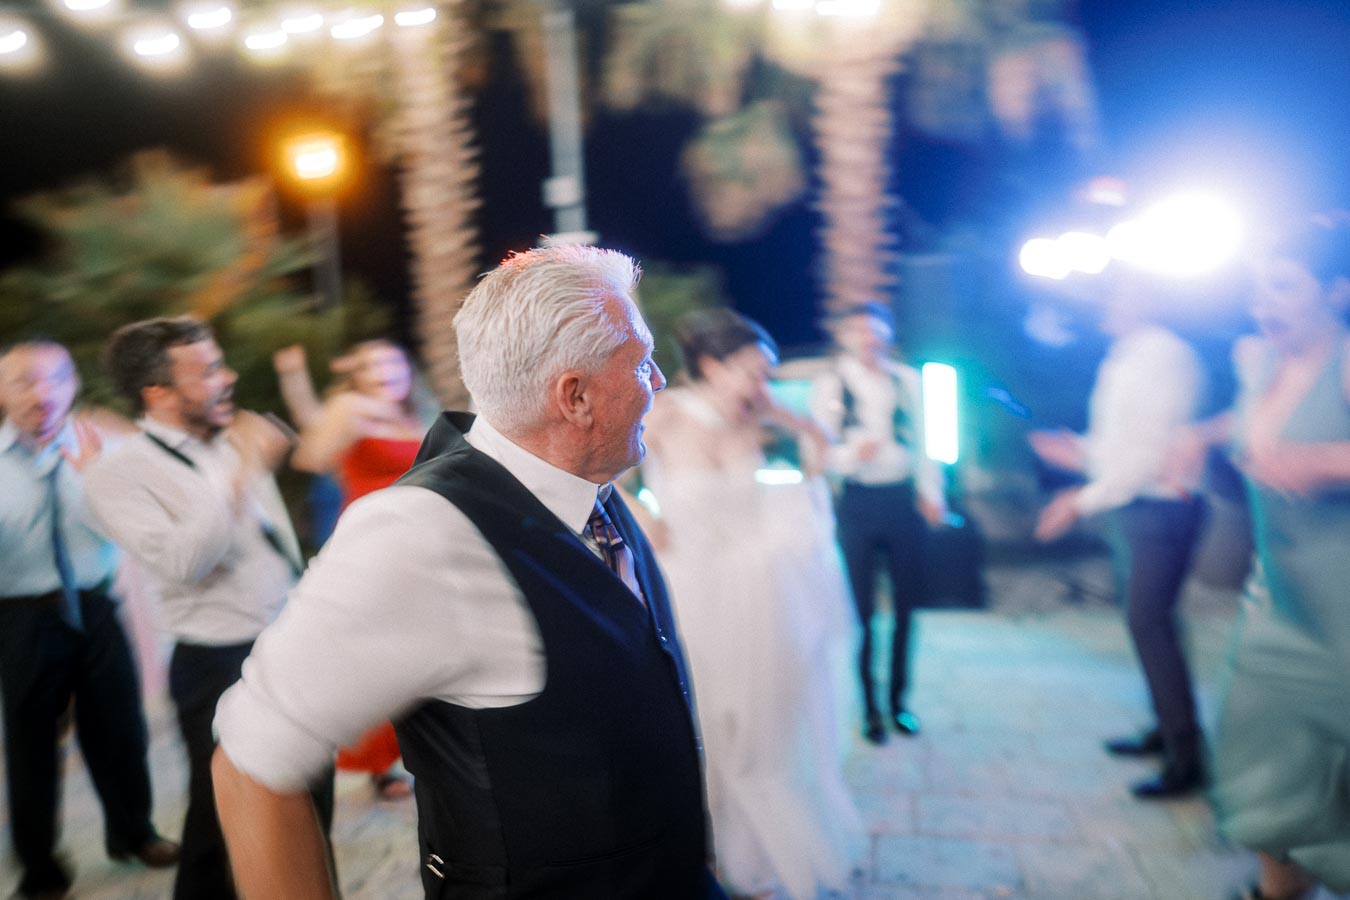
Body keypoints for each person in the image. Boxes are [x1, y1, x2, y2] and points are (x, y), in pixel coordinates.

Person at [210, 245, 724, 900]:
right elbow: (252, 764)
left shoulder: (586, 477)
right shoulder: (419, 537)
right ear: (575, 397)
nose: (658, 382)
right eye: (641, 362)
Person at [82, 317, 335, 900]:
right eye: (208, 371)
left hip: (290, 643)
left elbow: (272, 549)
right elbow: (183, 561)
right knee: (225, 823)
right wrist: (242, 474)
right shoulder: (118, 473)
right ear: (158, 393)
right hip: (217, 664)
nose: (229, 377)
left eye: (221, 362)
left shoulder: (229, 440)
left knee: (307, 808)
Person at [641, 308, 865, 899]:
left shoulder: (752, 422)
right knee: (702, 721)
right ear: (711, 365)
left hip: (760, 596)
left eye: (768, 373)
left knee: (758, 726)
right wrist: (646, 518)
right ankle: (700, 848)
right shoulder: (662, 413)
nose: (761, 384)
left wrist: (790, 417)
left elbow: (821, 456)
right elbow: (603, 477)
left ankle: (748, 851)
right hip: (691, 586)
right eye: (752, 371)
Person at [1190, 218, 1350, 899]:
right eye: (1259, 289)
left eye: (1284, 287)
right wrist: (1197, 435)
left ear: (1337, 292)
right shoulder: (1256, 359)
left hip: (1343, 609)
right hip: (1277, 601)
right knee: (1265, 765)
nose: (1265, 304)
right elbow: (1245, 427)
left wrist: (1326, 461)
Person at [0, 341, 179, 900]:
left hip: (96, 605)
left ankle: (134, 833)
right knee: (30, 743)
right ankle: (41, 865)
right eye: (25, 380)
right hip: (21, 614)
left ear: (72, 385)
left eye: (55, 379)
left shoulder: (105, 449)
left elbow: (148, 523)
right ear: (2, 391)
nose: (42, 392)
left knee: (120, 727)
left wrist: (106, 472)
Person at [1028, 273, 1207, 799]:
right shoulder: (1124, 356)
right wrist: (1080, 450)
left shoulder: (1163, 355)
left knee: (1149, 624)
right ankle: (1165, 730)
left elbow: (1150, 454)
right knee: (1149, 626)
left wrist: (1077, 501)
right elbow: (1121, 445)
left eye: (1114, 292)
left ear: (1146, 298)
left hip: (1160, 509)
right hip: (1136, 509)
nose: (1103, 300)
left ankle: (1187, 759)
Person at [279, 339, 429, 800]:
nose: (385, 370)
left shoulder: (419, 415)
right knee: (381, 656)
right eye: (372, 364)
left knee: (421, 651)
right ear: (357, 375)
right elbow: (310, 457)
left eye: (393, 360)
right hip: (372, 546)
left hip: (420, 543)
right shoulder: (349, 408)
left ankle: (427, 752)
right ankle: (379, 763)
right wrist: (351, 412)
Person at [809, 300, 946, 744]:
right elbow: (820, 453)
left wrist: (931, 493)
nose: (868, 339)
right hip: (859, 502)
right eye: (858, 330)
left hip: (902, 501)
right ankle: (869, 708)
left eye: (875, 330)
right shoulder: (831, 382)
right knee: (862, 610)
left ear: (886, 333)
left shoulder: (908, 380)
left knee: (907, 606)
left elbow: (927, 443)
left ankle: (899, 703)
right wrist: (851, 456)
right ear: (844, 336)